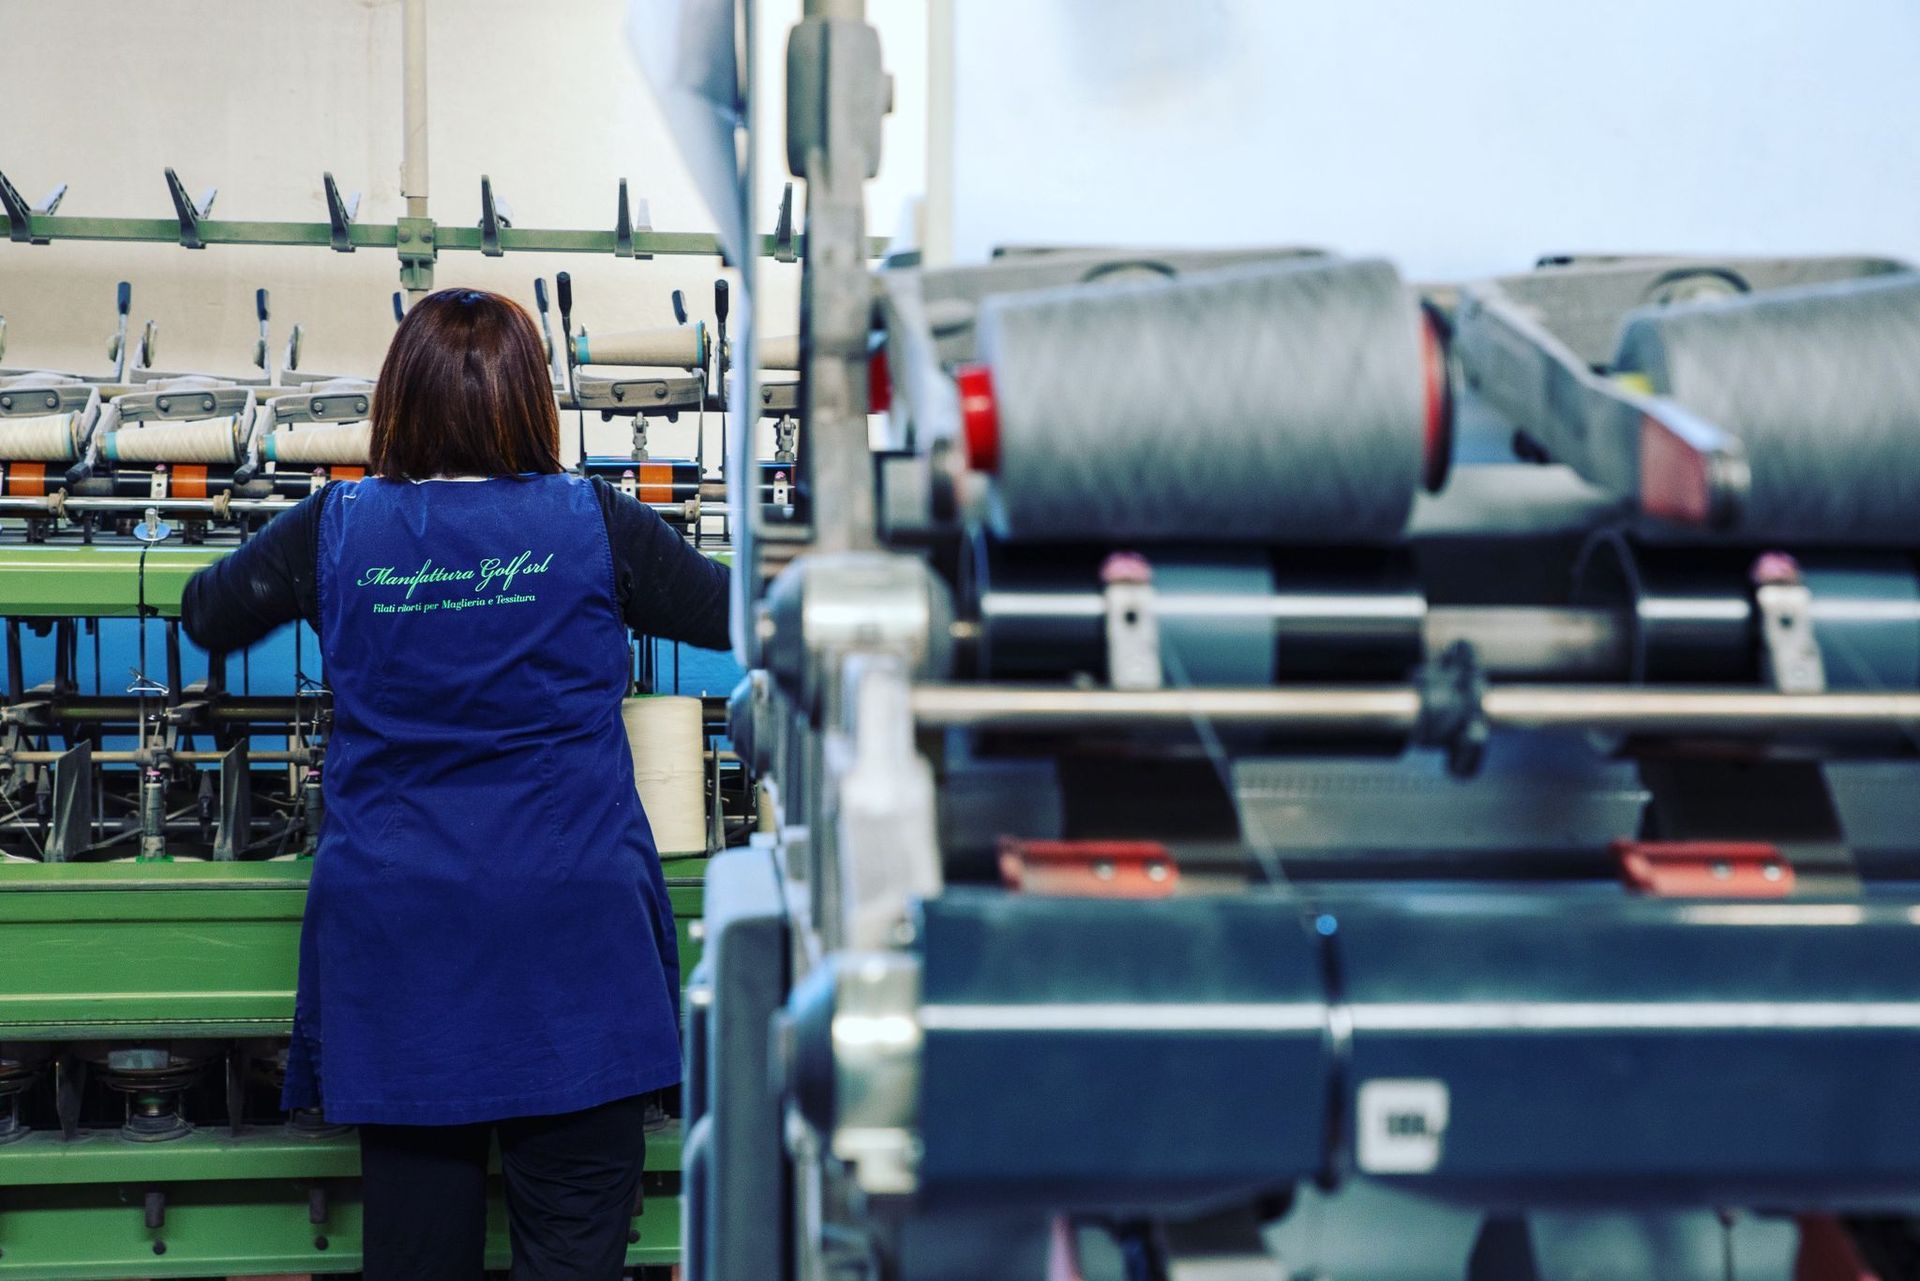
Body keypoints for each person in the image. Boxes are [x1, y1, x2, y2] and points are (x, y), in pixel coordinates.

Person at [181, 287, 730, 1280]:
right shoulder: (599, 522)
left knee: (419, 1257)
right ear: (532, 401)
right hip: (575, 947)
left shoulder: (337, 526)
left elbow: (209, 614)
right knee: (574, 1253)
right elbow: (745, 616)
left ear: (400, 400)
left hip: (406, 953)